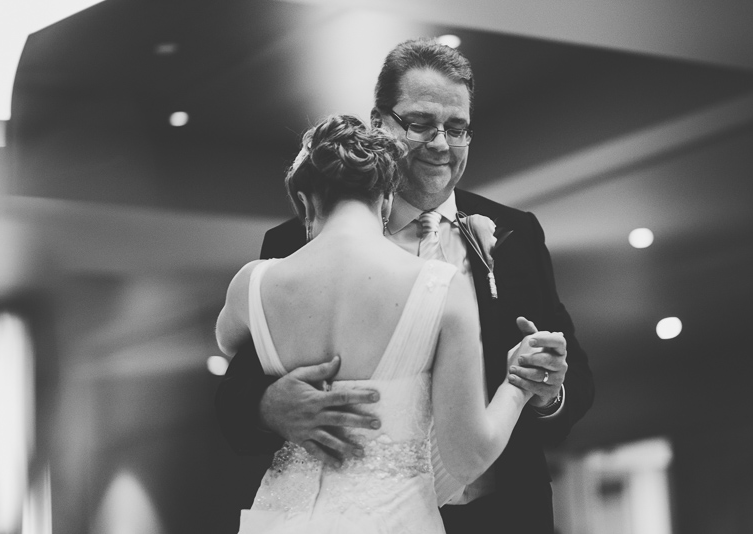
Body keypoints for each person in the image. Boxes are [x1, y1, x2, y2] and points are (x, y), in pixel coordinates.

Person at [215, 38, 595, 534]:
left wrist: (545, 389)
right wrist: (268, 406)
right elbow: (233, 387)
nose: (440, 144)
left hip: (503, 516)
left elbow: (579, 382)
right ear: (380, 123)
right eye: (420, 123)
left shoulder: (516, 233)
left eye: (457, 129)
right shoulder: (295, 240)